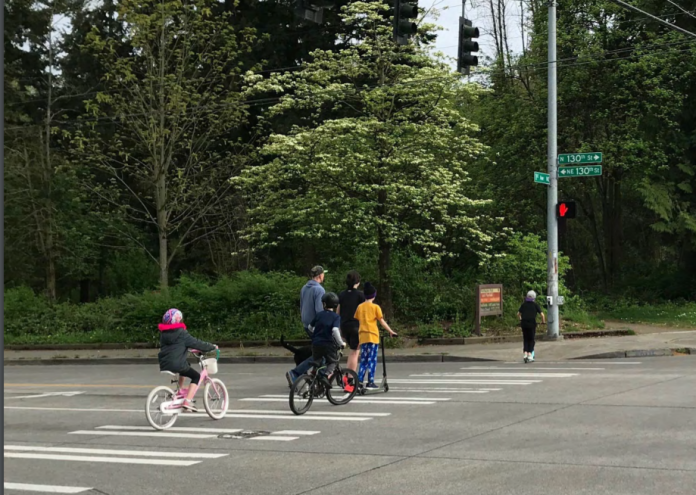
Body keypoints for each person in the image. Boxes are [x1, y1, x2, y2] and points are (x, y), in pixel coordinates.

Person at [158, 308, 218, 412]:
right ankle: (187, 401)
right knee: (196, 376)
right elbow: (196, 343)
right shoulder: (182, 333)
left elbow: (174, 347)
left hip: (164, 363)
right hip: (177, 363)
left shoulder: (164, 334)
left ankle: (179, 391)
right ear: (178, 320)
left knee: (186, 366)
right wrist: (211, 347)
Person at [286, 265, 327, 387]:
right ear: (320, 276)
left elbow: (302, 305)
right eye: (323, 274)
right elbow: (319, 311)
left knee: (318, 352)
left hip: (306, 325)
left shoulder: (304, 288)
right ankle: (296, 373)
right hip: (316, 327)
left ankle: (315, 378)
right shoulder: (319, 290)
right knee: (322, 354)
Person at [355, 282, 397, 388]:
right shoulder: (375, 307)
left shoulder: (359, 307)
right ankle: (370, 381)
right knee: (372, 360)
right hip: (373, 336)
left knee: (363, 360)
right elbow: (382, 321)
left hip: (363, 337)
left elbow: (358, 322)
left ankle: (359, 381)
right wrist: (391, 331)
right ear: (374, 295)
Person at [306, 292, 345, 388]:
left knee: (317, 362)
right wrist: (341, 343)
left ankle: (313, 383)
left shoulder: (319, 315)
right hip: (328, 344)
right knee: (333, 362)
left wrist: (317, 332)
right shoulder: (336, 317)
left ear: (324, 304)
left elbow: (310, 327)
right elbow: (335, 330)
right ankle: (325, 376)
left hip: (316, 343)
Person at [337, 270, 365, 374]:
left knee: (351, 350)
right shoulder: (360, 295)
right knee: (355, 352)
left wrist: (339, 326)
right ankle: (350, 377)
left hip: (344, 325)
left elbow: (338, 311)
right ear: (358, 282)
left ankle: (347, 375)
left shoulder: (342, 295)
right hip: (355, 326)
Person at [517, 290, 546, 362]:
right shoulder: (535, 305)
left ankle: (525, 353)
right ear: (534, 297)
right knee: (531, 339)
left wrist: (521, 319)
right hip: (532, 324)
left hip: (524, 324)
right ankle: (530, 354)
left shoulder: (523, 304)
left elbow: (518, 314)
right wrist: (543, 322)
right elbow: (542, 315)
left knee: (526, 339)